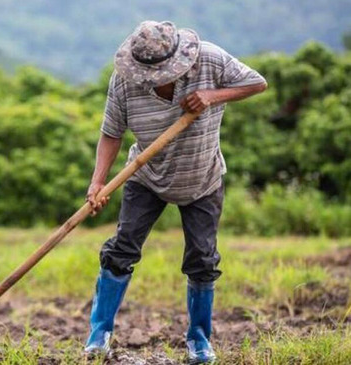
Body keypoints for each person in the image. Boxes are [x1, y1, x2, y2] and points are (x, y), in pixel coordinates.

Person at [84, 20, 267, 364]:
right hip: (146, 175)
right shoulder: (125, 80)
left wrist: (213, 96)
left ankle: (199, 341)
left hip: (202, 178)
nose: (153, 80)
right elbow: (111, 132)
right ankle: (98, 336)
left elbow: (257, 83)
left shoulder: (210, 60)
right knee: (121, 250)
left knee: (202, 259)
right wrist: (98, 182)